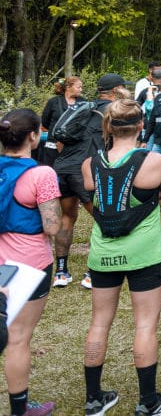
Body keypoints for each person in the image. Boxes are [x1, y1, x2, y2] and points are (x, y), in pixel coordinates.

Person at [81, 99, 161, 416]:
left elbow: (94, 193)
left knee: (99, 324)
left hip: (103, 253)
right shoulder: (153, 161)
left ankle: (94, 398)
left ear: (108, 126)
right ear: (141, 126)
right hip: (144, 253)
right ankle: (148, 402)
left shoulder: (89, 164)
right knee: (145, 326)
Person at [0, 110, 61, 416]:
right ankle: (20, 409)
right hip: (29, 264)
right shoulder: (41, 174)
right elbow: (52, 227)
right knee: (18, 338)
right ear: (35, 136)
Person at [53, 73, 128, 289]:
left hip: (63, 168)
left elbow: (60, 139)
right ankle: (92, 273)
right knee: (104, 219)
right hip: (85, 170)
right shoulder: (113, 111)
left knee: (67, 217)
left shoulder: (81, 107)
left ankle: (60, 272)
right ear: (116, 90)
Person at [39, 76, 83, 167]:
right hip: (53, 145)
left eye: (81, 87)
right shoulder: (53, 101)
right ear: (68, 87)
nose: (81, 90)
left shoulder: (83, 102)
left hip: (74, 147)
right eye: (78, 87)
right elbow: (45, 121)